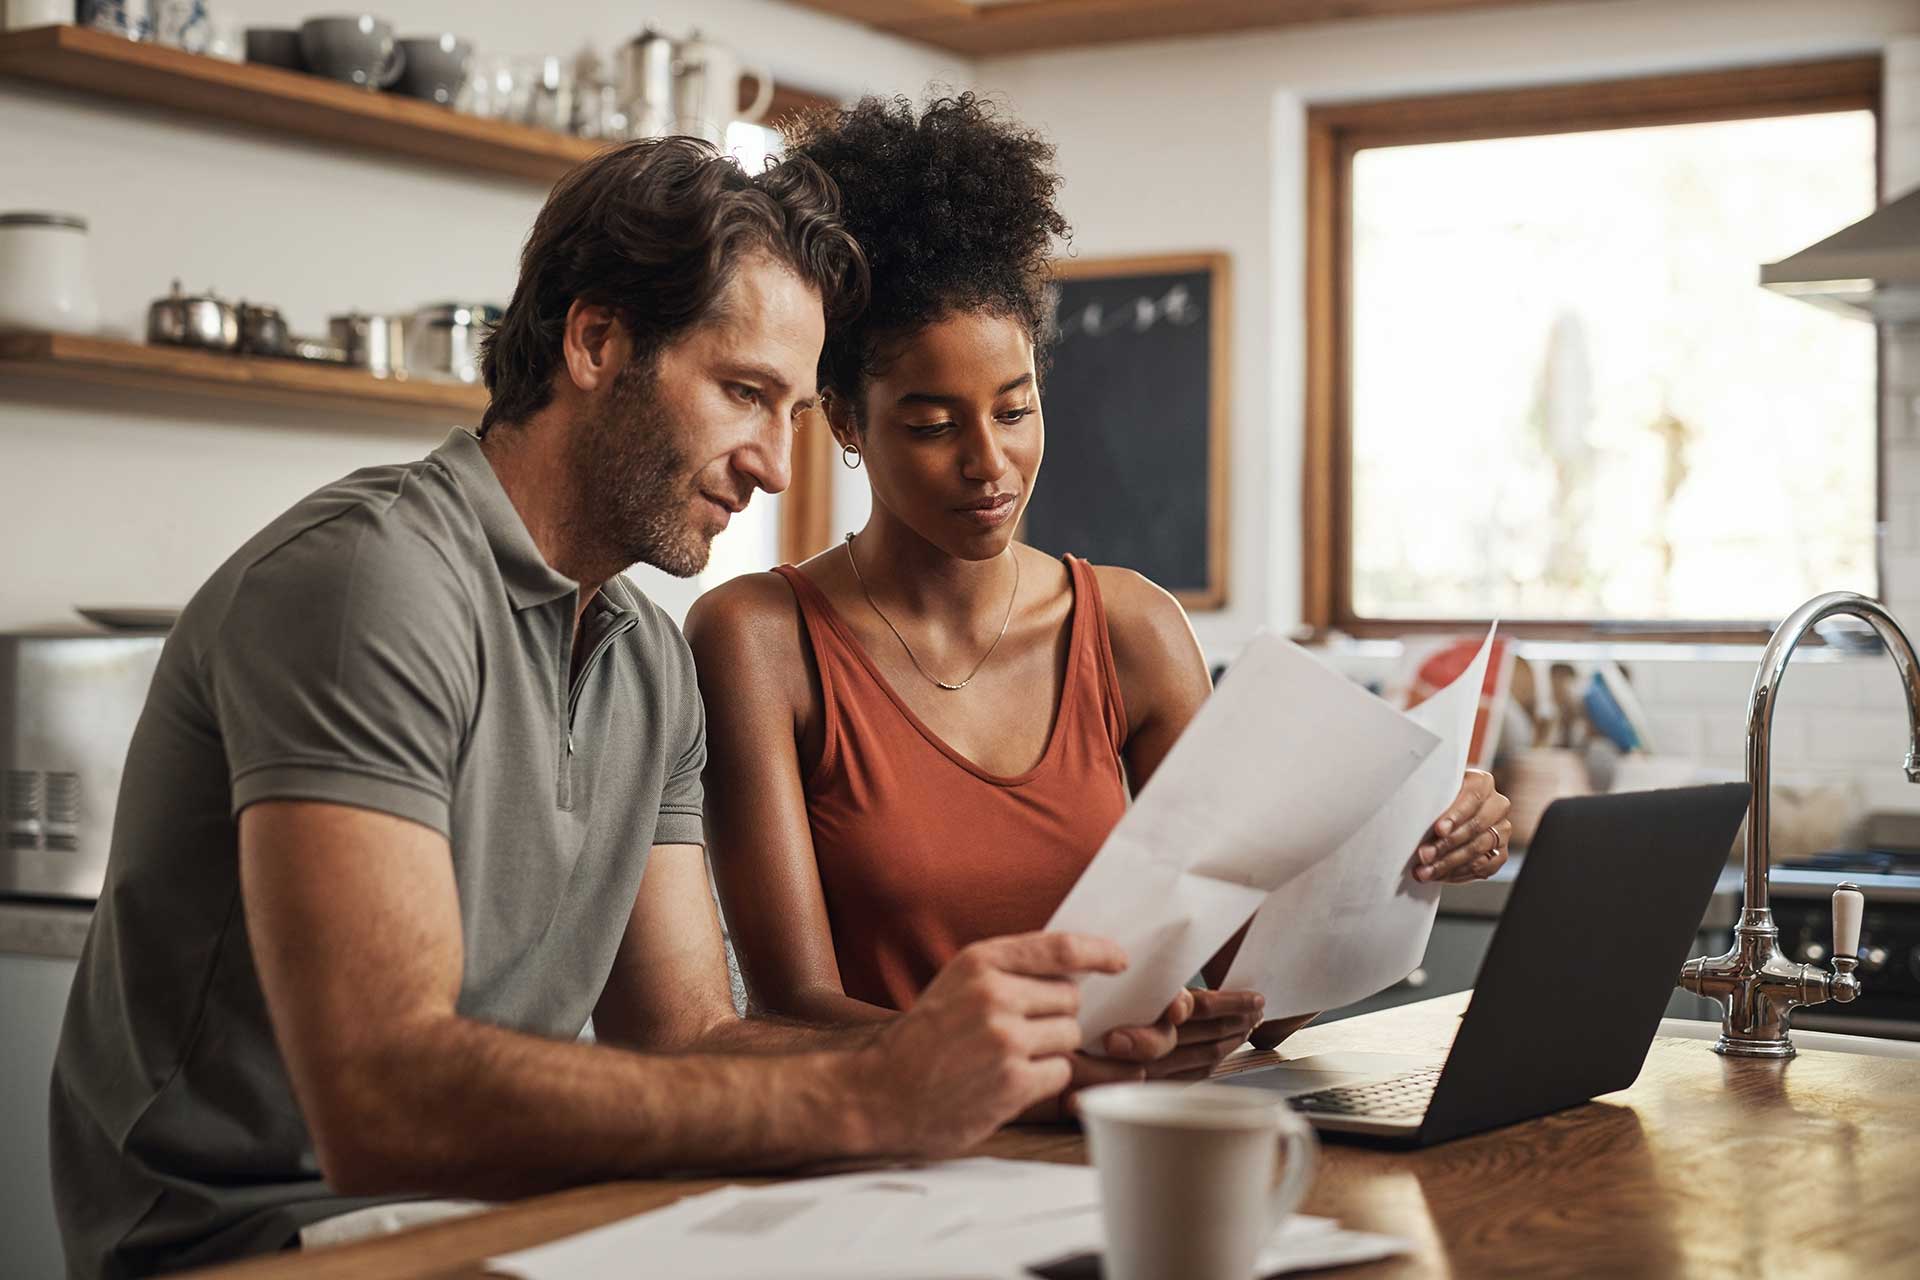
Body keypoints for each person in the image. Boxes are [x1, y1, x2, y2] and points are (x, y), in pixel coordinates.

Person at [48, 137, 1172, 1280]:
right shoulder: (371, 585)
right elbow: (381, 1096)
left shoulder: (645, 660)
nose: (775, 465)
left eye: (791, 410)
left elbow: (687, 1035)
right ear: (596, 342)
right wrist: (871, 1088)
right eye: (744, 393)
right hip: (260, 1238)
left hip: (507, 1214)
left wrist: (1004, 1058)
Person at [686, 96, 1513, 1096]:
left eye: (1015, 407)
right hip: (894, 1163)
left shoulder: (1131, 628)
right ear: (847, 421)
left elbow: (1253, 989)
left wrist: (1408, 856)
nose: (990, 463)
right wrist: (1039, 1069)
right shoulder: (758, 638)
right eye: (933, 423)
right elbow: (791, 1009)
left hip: (1119, 1148)